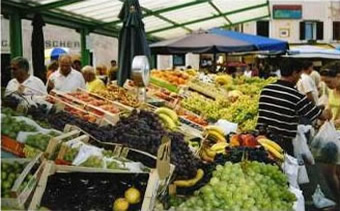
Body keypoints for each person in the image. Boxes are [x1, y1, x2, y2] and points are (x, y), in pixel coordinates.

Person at [256, 58, 332, 156]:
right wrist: (328, 110)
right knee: (285, 168)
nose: (300, 78)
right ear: (294, 73)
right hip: (282, 143)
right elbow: (322, 116)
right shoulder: (296, 96)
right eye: (299, 75)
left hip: (261, 139)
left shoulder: (266, 90)